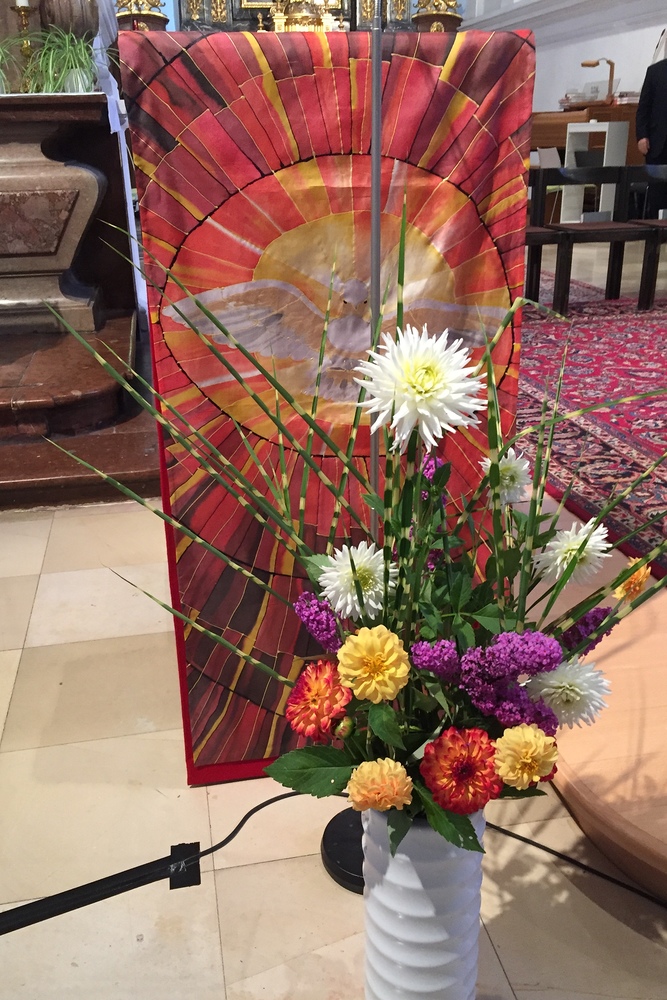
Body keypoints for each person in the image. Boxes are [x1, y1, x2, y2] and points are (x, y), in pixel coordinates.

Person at [636, 57, 667, 217]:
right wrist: (642, 136)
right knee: (658, 195)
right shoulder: (655, 71)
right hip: (658, 144)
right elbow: (644, 107)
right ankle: (657, 229)